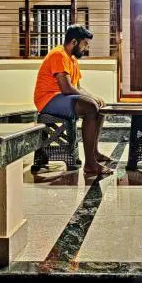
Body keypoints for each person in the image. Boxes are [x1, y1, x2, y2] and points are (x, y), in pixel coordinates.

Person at [33, 24, 112, 175]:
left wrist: (94, 97)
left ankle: (94, 153)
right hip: (47, 99)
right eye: (85, 44)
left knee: (98, 106)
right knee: (90, 107)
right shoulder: (59, 55)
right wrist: (90, 100)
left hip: (61, 98)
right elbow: (67, 88)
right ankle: (90, 164)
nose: (86, 48)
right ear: (74, 42)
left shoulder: (73, 59)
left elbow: (78, 87)